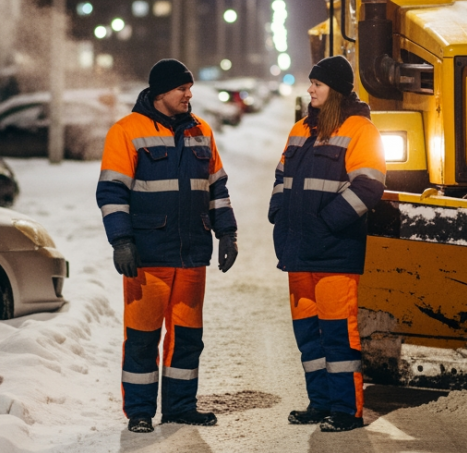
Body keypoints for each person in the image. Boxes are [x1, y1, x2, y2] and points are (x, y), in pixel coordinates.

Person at [96, 59, 239, 434]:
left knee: (188, 339)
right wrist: (122, 241)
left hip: (191, 254)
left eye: (189, 88)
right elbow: (111, 192)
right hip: (148, 256)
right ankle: (140, 411)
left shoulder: (201, 131)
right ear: (161, 94)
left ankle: (180, 407)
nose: (189, 94)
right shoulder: (126, 132)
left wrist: (227, 233)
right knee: (143, 339)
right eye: (182, 89)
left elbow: (217, 188)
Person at [268, 55, 386, 432]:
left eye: (316, 84)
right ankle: (319, 403)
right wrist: (278, 210)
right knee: (309, 337)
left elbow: (369, 185)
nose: (310, 89)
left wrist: (327, 223)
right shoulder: (301, 128)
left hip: (334, 251)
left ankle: (347, 411)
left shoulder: (360, 129)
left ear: (333, 89)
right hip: (298, 251)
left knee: (337, 337)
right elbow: (282, 173)